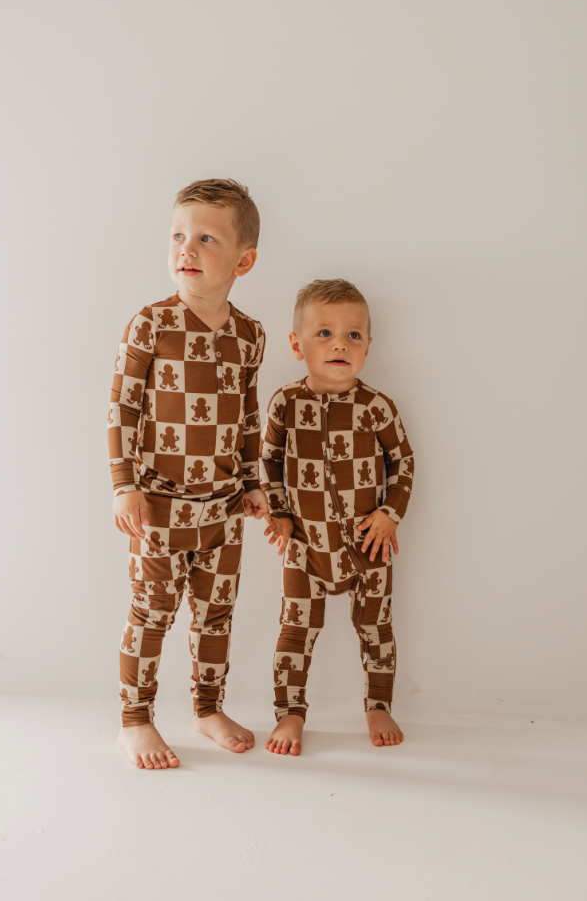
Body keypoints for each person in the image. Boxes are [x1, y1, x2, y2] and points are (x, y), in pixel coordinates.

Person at [108, 178, 269, 769]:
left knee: (216, 612)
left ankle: (206, 707)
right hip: (160, 505)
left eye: (206, 238)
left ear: (243, 259)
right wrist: (124, 486)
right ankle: (135, 719)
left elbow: (248, 415)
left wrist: (253, 483)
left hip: (223, 509)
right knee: (152, 611)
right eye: (178, 235)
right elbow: (121, 408)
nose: (187, 248)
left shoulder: (250, 336)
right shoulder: (150, 325)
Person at [260, 278, 414, 755]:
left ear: (368, 345)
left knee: (376, 626)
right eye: (324, 333)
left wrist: (391, 514)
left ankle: (378, 703)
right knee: (295, 629)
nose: (340, 344)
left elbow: (403, 462)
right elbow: (268, 464)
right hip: (306, 545)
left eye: (353, 335)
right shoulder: (286, 404)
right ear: (296, 344)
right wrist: (280, 514)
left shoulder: (376, 406)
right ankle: (290, 713)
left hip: (369, 543)